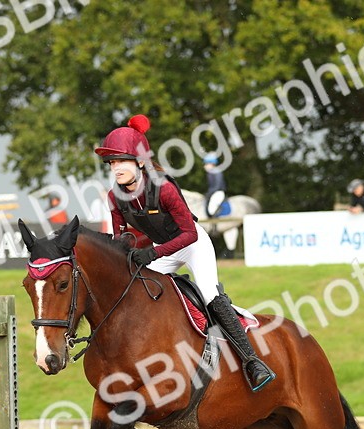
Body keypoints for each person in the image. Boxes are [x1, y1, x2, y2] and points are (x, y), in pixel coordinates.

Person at [95, 114, 274, 391]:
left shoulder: (164, 188)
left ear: (140, 161)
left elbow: (189, 234)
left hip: (192, 245)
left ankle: (252, 361)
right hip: (162, 251)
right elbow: (121, 238)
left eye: (121, 160)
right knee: (134, 291)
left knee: (209, 295)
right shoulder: (114, 197)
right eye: (112, 162)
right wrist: (125, 250)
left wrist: (153, 254)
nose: (115, 168)